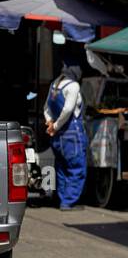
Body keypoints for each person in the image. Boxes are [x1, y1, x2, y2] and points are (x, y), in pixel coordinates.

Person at [43, 63, 87, 210]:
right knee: (76, 167)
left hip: (56, 136)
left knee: (61, 167)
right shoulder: (73, 86)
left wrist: (50, 122)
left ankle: (62, 199)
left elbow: (46, 108)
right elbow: (68, 109)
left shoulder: (54, 84)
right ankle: (68, 201)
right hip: (71, 133)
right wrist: (54, 126)